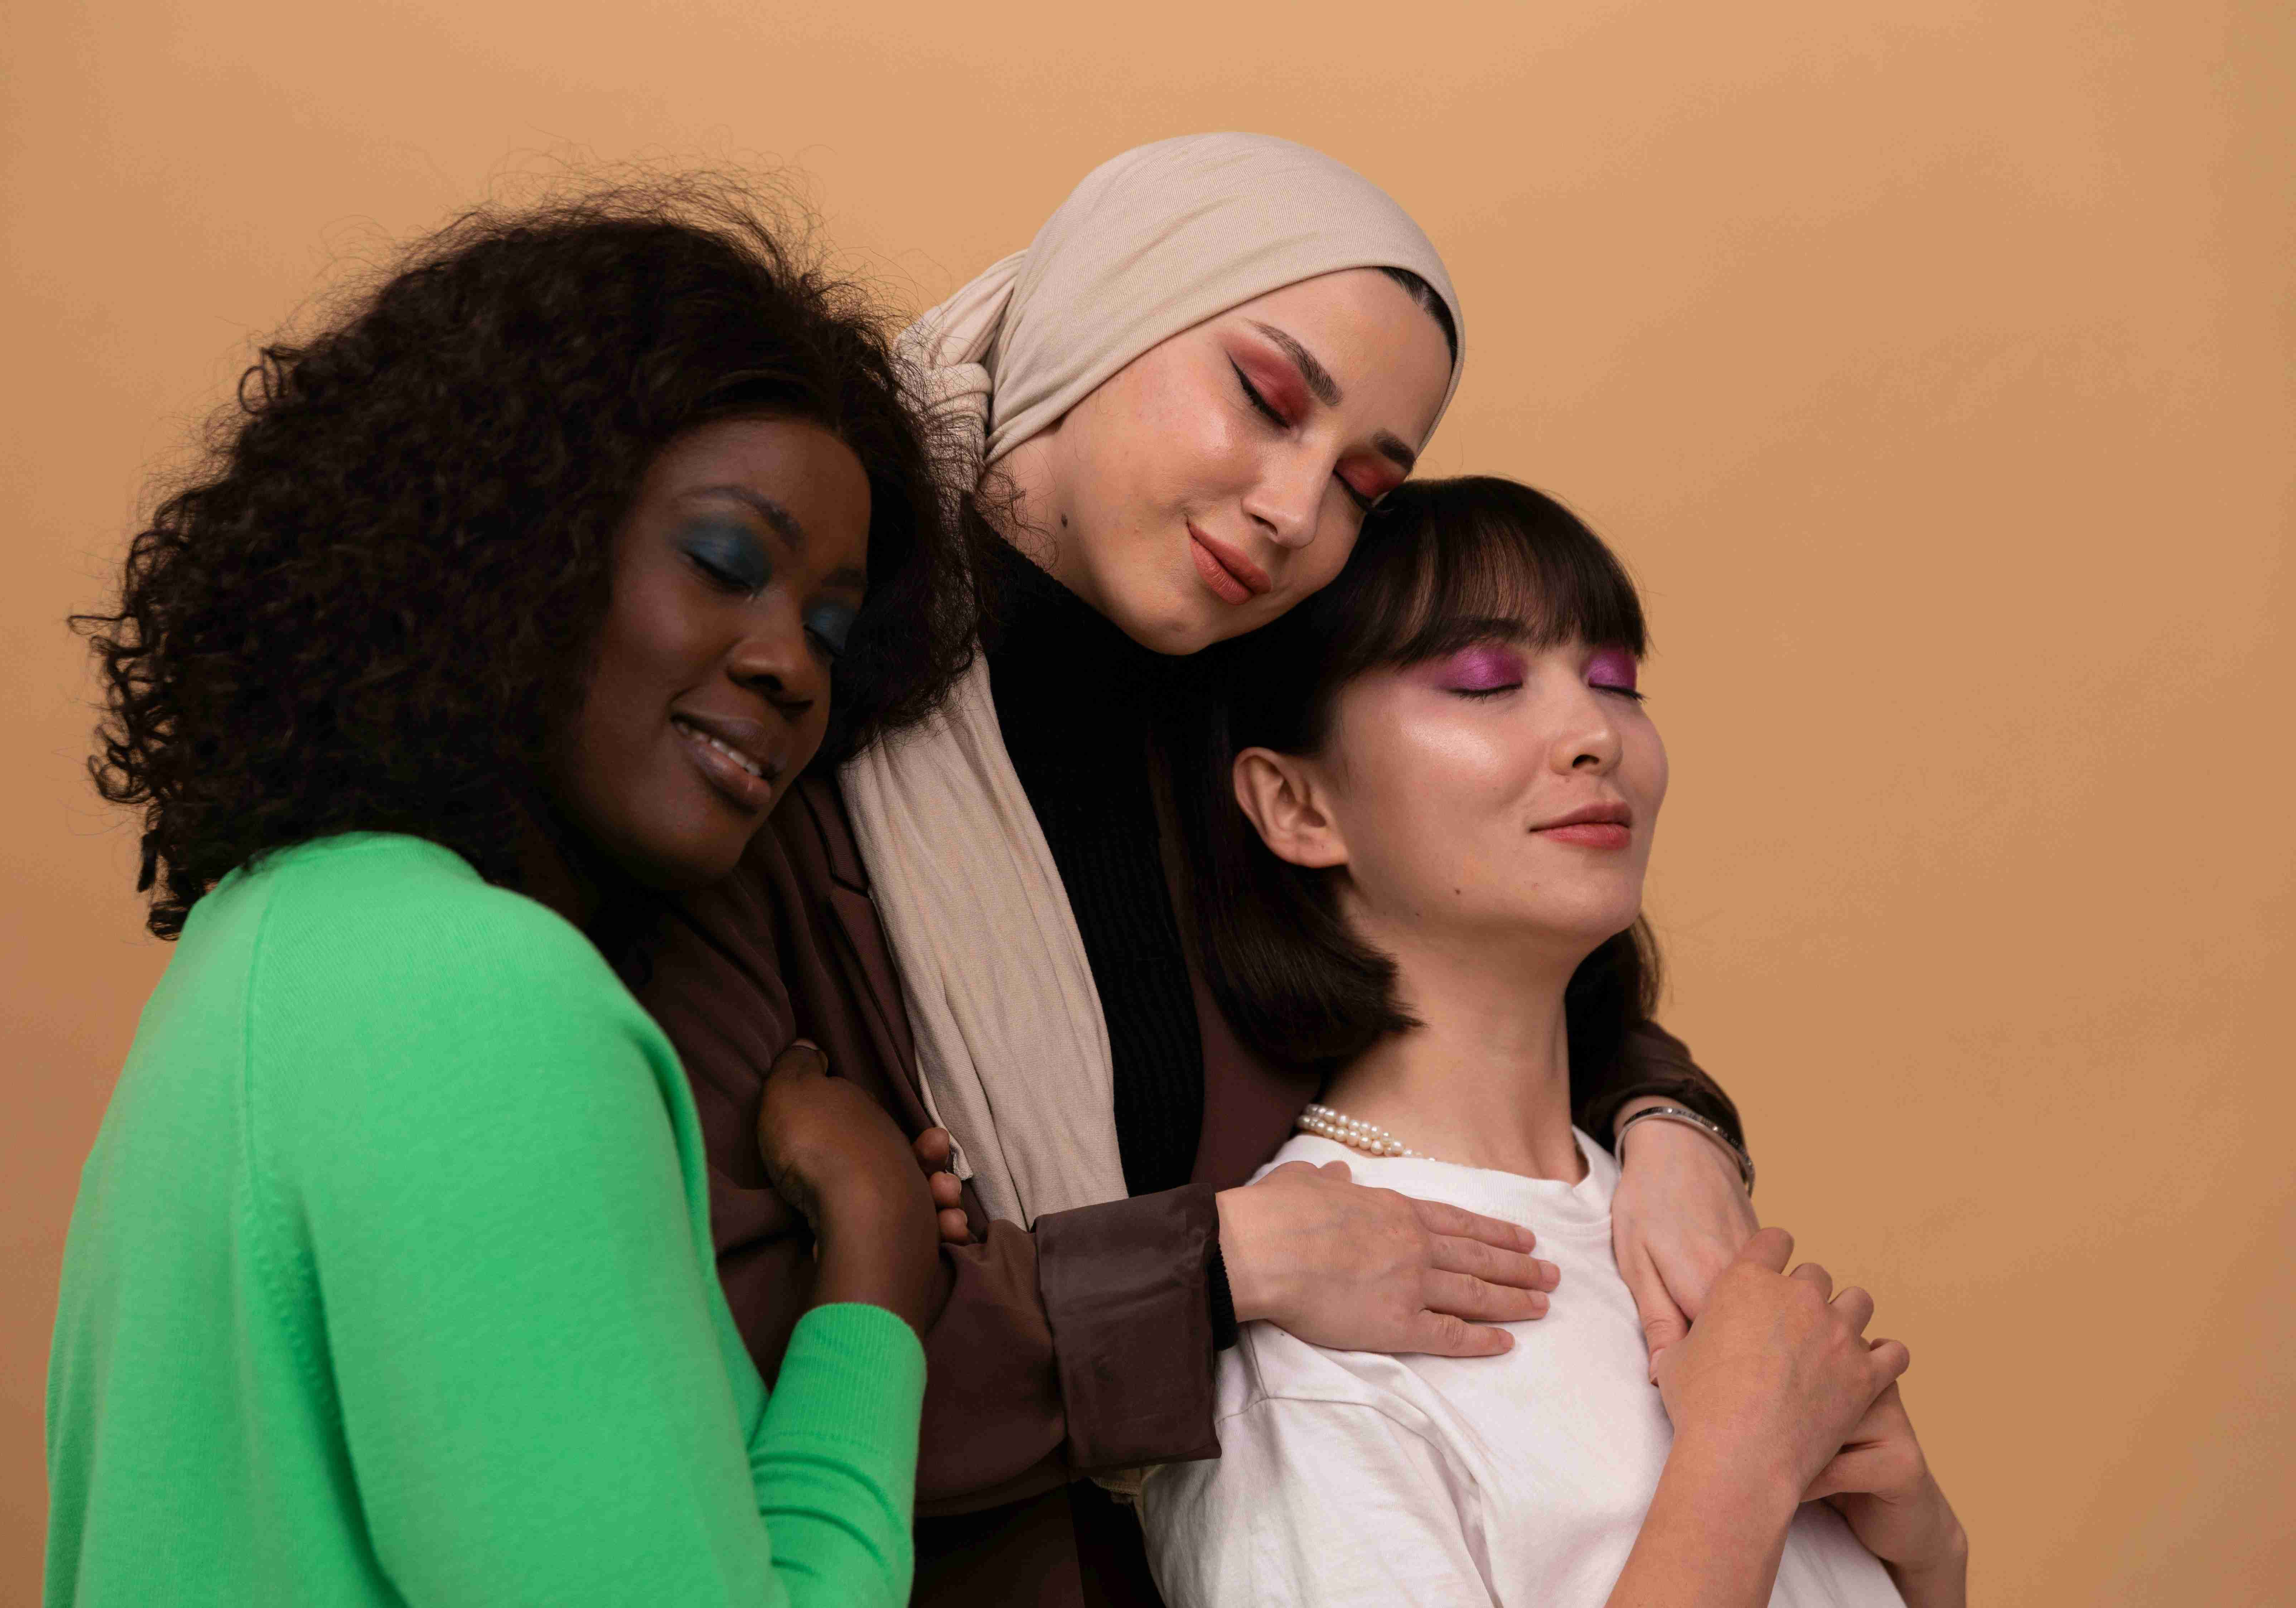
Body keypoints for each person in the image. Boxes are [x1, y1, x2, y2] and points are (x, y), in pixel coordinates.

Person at [634, 134, 1767, 1604]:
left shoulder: (1243, 725)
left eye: (1363, 481)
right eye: (1266, 398)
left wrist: (1668, 1122)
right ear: (1106, 313)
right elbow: (729, 1351)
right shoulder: (783, 710)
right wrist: (1220, 1265)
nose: (1298, 511)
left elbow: (1475, 954)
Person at [45, 183, 983, 1607]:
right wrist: (875, 1276)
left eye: (832, 628)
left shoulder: (278, 935)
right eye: (726, 561)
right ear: (506, 535)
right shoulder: (483, 1001)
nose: (793, 664)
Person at [1139, 476, 1968, 1607]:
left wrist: (1930, 1562)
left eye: (1617, 682)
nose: (1594, 736)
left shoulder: (1676, 1223)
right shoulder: (1314, 1362)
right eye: (1485, 682)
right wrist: (1740, 1464)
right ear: (1298, 806)